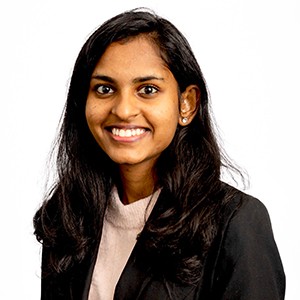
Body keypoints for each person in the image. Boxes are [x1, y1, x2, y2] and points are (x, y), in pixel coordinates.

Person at [33, 8, 285, 300]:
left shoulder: (236, 223)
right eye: (104, 89)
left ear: (186, 104)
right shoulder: (68, 218)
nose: (124, 110)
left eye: (148, 89)